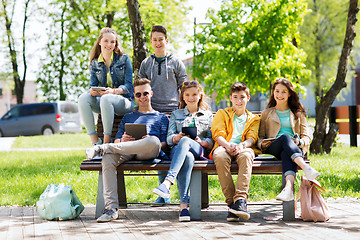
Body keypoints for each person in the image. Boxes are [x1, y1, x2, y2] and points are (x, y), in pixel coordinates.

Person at [85, 78, 169, 223]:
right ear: (134, 97)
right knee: (108, 158)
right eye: (138, 95)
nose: (142, 97)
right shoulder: (128, 117)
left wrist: (146, 140)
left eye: (145, 93)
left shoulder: (161, 117)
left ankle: (103, 148)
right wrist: (123, 140)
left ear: (151, 93)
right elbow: (117, 141)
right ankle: (111, 209)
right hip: (127, 151)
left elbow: (164, 144)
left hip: (148, 151)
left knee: (153, 140)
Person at [139, 25, 187, 205]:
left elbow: (184, 88)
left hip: (173, 112)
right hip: (154, 113)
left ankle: (180, 193)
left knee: (173, 149)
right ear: (151, 42)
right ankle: (163, 194)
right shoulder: (146, 63)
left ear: (166, 41)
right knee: (159, 148)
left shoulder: (176, 62)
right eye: (155, 39)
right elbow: (141, 88)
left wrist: (180, 111)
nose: (158, 42)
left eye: (161, 39)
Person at [152, 80, 213, 221]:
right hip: (178, 151)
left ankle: (167, 182)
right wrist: (176, 138)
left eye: (194, 94)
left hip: (199, 150)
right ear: (183, 97)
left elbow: (212, 140)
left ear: (200, 95)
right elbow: (168, 138)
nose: (191, 98)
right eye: (187, 95)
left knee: (187, 143)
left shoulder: (208, 115)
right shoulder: (176, 114)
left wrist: (202, 142)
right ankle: (183, 207)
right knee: (188, 157)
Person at [258, 78, 320, 202]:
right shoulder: (266, 113)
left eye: (283, 92)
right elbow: (260, 136)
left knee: (287, 152)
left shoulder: (298, 113)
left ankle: (288, 189)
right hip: (274, 147)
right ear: (273, 92)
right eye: (277, 91)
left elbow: (307, 136)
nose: (279, 95)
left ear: (290, 93)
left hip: (292, 149)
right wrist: (262, 143)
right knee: (285, 137)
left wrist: (300, 142)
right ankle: (305, 168)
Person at [210, 82, 260, 222]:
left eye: (242, 97)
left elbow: (252, 138)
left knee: (247, 155)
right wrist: (227, 145)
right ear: (230, 98)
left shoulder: (254, 118)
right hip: (224, 146)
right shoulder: (222, 113)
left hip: (243, 148)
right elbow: (217, 134)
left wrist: (242, 145)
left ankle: (240, 200)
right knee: (219, 155)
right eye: (236, 97)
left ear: (248, 98)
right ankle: (233, 204)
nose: (239, 101)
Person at [78, 27, 135, 145]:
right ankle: (95, 141)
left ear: (115, 44)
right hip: (104, 102)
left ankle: (106, 142)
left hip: (124, 102)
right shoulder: (95, 62)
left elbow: (129, 87)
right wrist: (93, 91)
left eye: (112, 42)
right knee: (83, 98)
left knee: (106, 98)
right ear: (99, 42)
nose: (109, 44)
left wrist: (113, 91)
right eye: (106, 41)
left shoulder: (124, 59)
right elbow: (92, 86)